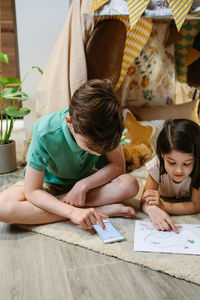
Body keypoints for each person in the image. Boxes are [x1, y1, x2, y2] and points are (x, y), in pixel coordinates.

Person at [0, 79, 139, 230]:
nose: (99, 154)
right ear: (69, 122)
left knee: (129, 184)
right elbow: (33, 191)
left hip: (86, 181)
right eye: (90, 147)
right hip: (47, 184)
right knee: (3, 208)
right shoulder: (44, 131)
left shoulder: (107, 125)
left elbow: (118, 166)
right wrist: (72, 212)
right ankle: (96, 209)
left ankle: (58, 205)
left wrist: (83, 185)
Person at [141, 119, 200, 234]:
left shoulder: (198, 168)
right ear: (162, 154)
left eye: (187, 163)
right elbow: (144, 200)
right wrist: (152, 209)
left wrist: (163, 206)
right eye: (172, 163)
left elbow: (196, 206)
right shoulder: (157, 165)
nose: (179, 170)